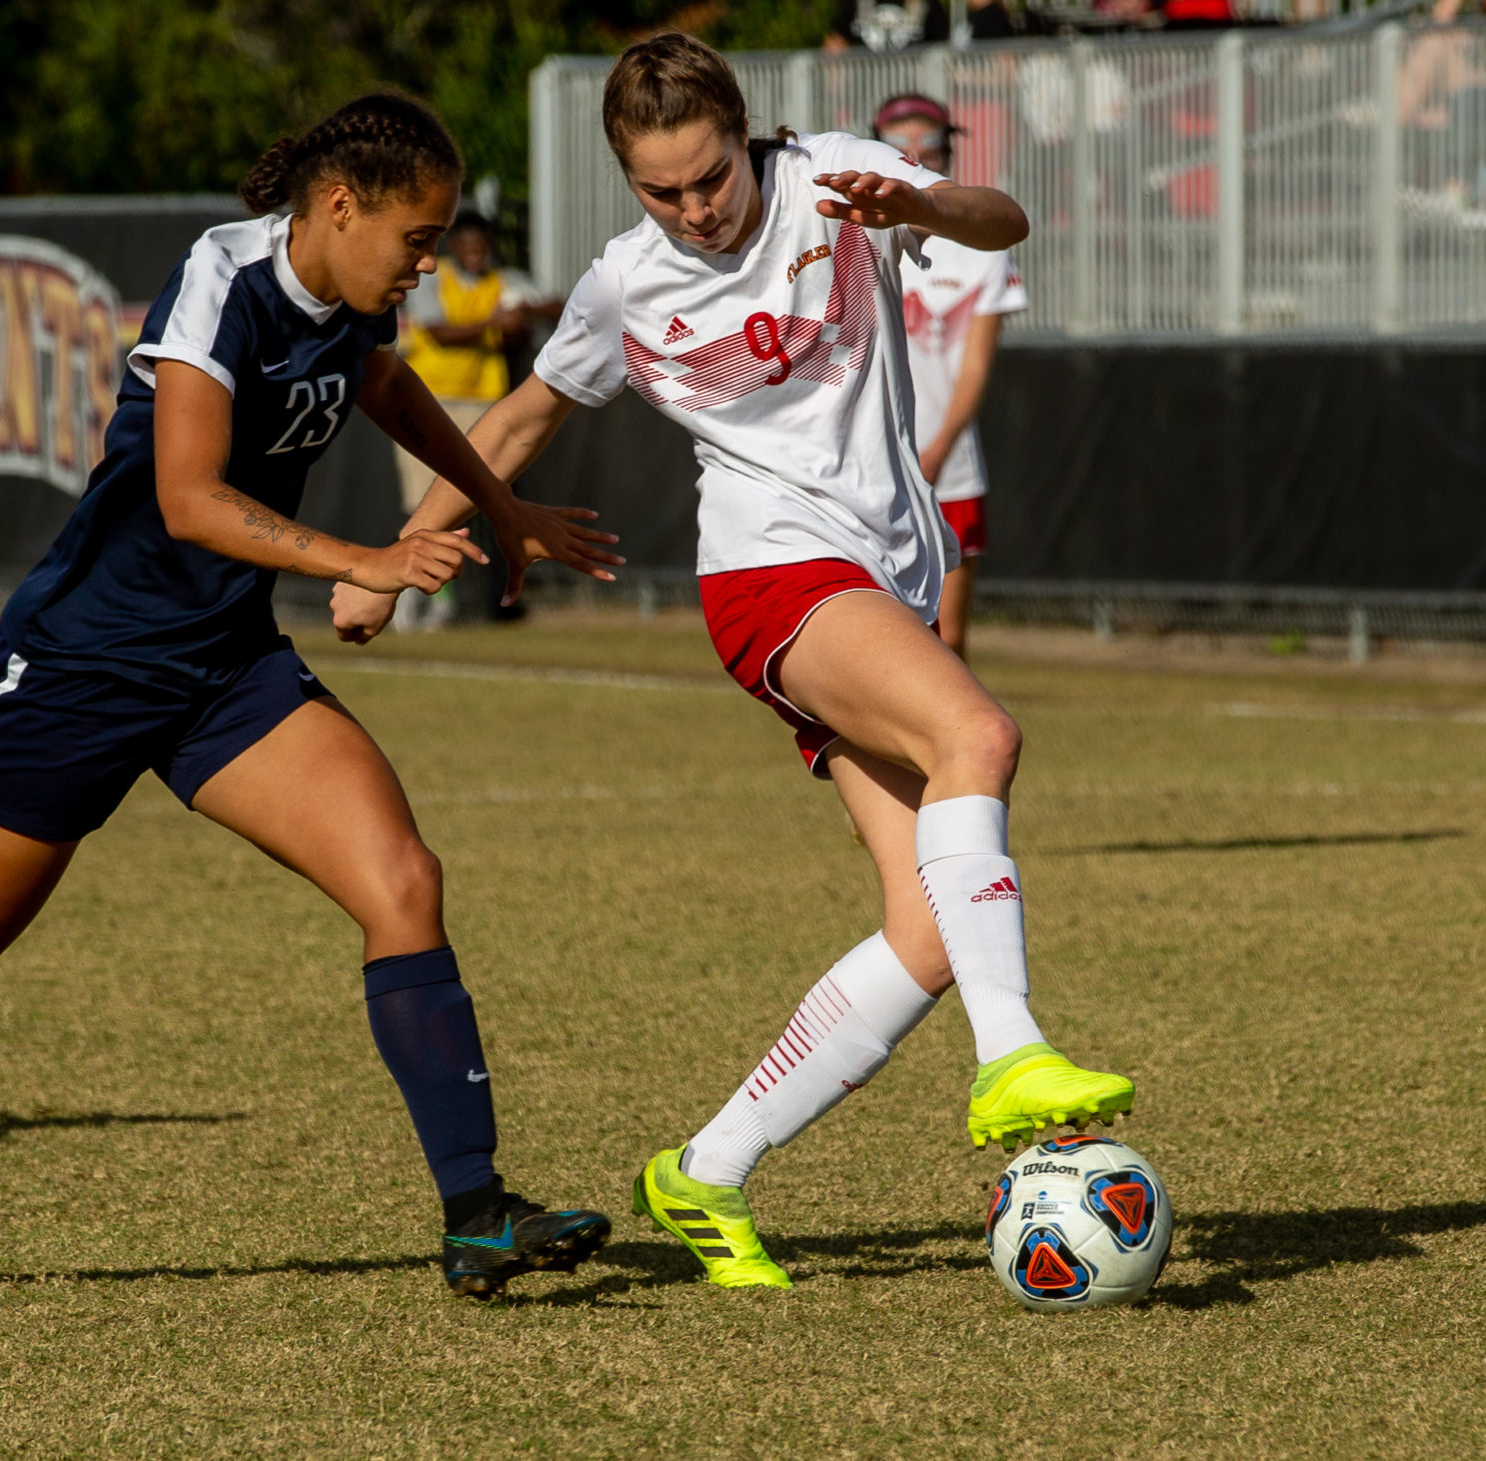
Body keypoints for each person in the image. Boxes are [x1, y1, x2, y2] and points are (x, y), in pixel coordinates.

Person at [0, 93, 624, 1302]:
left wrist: (496, 506)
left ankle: (475, 1213)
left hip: (224, 670)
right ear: (340, 208)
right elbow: (186, 498)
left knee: (401, 880)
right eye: (415, 237)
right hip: (80, 668)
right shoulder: (221, 279)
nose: (427, 262)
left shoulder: (350, 303)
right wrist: (366, 561)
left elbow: (385, 389)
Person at [331, 34, 1135, 1291]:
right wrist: (401, 545)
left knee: (925, 934)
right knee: (976, 736)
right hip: (770, 578)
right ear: (627, 181)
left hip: (888, 577)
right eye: (662, 190)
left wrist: (914, 202)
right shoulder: (626, 284)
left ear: (744, 139)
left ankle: (702, 1172)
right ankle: (1014, 1055)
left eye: (710, 178)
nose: (695, 209)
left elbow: (1001, 219)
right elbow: (526, 415)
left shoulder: (835, 181)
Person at [874, 94, 1027, 657]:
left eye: (928, 145)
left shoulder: (981, 247)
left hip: (948, 462)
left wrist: (937, 448)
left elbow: (976, 364)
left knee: (947, 636)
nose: (914, 156)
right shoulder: (862, 233)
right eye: (898, 146)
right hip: (873, 457)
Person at [392, 210, 560, 628]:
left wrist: (526, 311)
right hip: (430, 400)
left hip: (484, 404)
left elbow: (558, 303)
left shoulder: (502, 281)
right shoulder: (434, 276)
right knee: (423, 503)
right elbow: (435, 330)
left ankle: (455, 599)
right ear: (454, 247)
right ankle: (411, 593)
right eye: (467, 246)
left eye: (481, 247)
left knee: (472, 506)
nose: (474, 254)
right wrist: (493, 322)